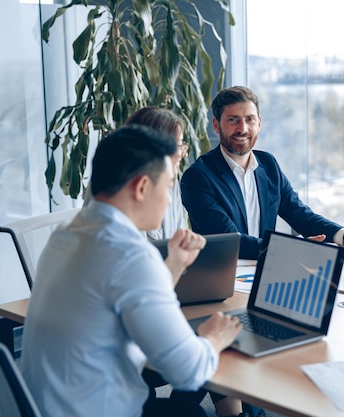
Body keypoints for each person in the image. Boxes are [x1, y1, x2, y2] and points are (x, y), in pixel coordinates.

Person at [20, 124, 242, 417]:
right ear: (141, 187)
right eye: (168, 185)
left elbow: (123, 293)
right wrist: (214, 337)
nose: (167, 198)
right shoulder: (130, 255)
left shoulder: (67, 234)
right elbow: (188, 373)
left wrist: (175, 263)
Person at [181, 86, 344, 260]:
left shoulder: (268, 165)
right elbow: (230, 240)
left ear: (259, 123)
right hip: (222, 275)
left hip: (264, 271)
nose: (243, 128)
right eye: (233, 120)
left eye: (249, 119)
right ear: (216, 125)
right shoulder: (198, 177)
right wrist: (291, 249)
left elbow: (300, 214)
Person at [123, 106, 189, 240]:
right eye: (177, 145)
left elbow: (180, 236)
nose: (183, 154)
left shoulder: (171, 180)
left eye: (182, 145)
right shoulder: (120, 185)